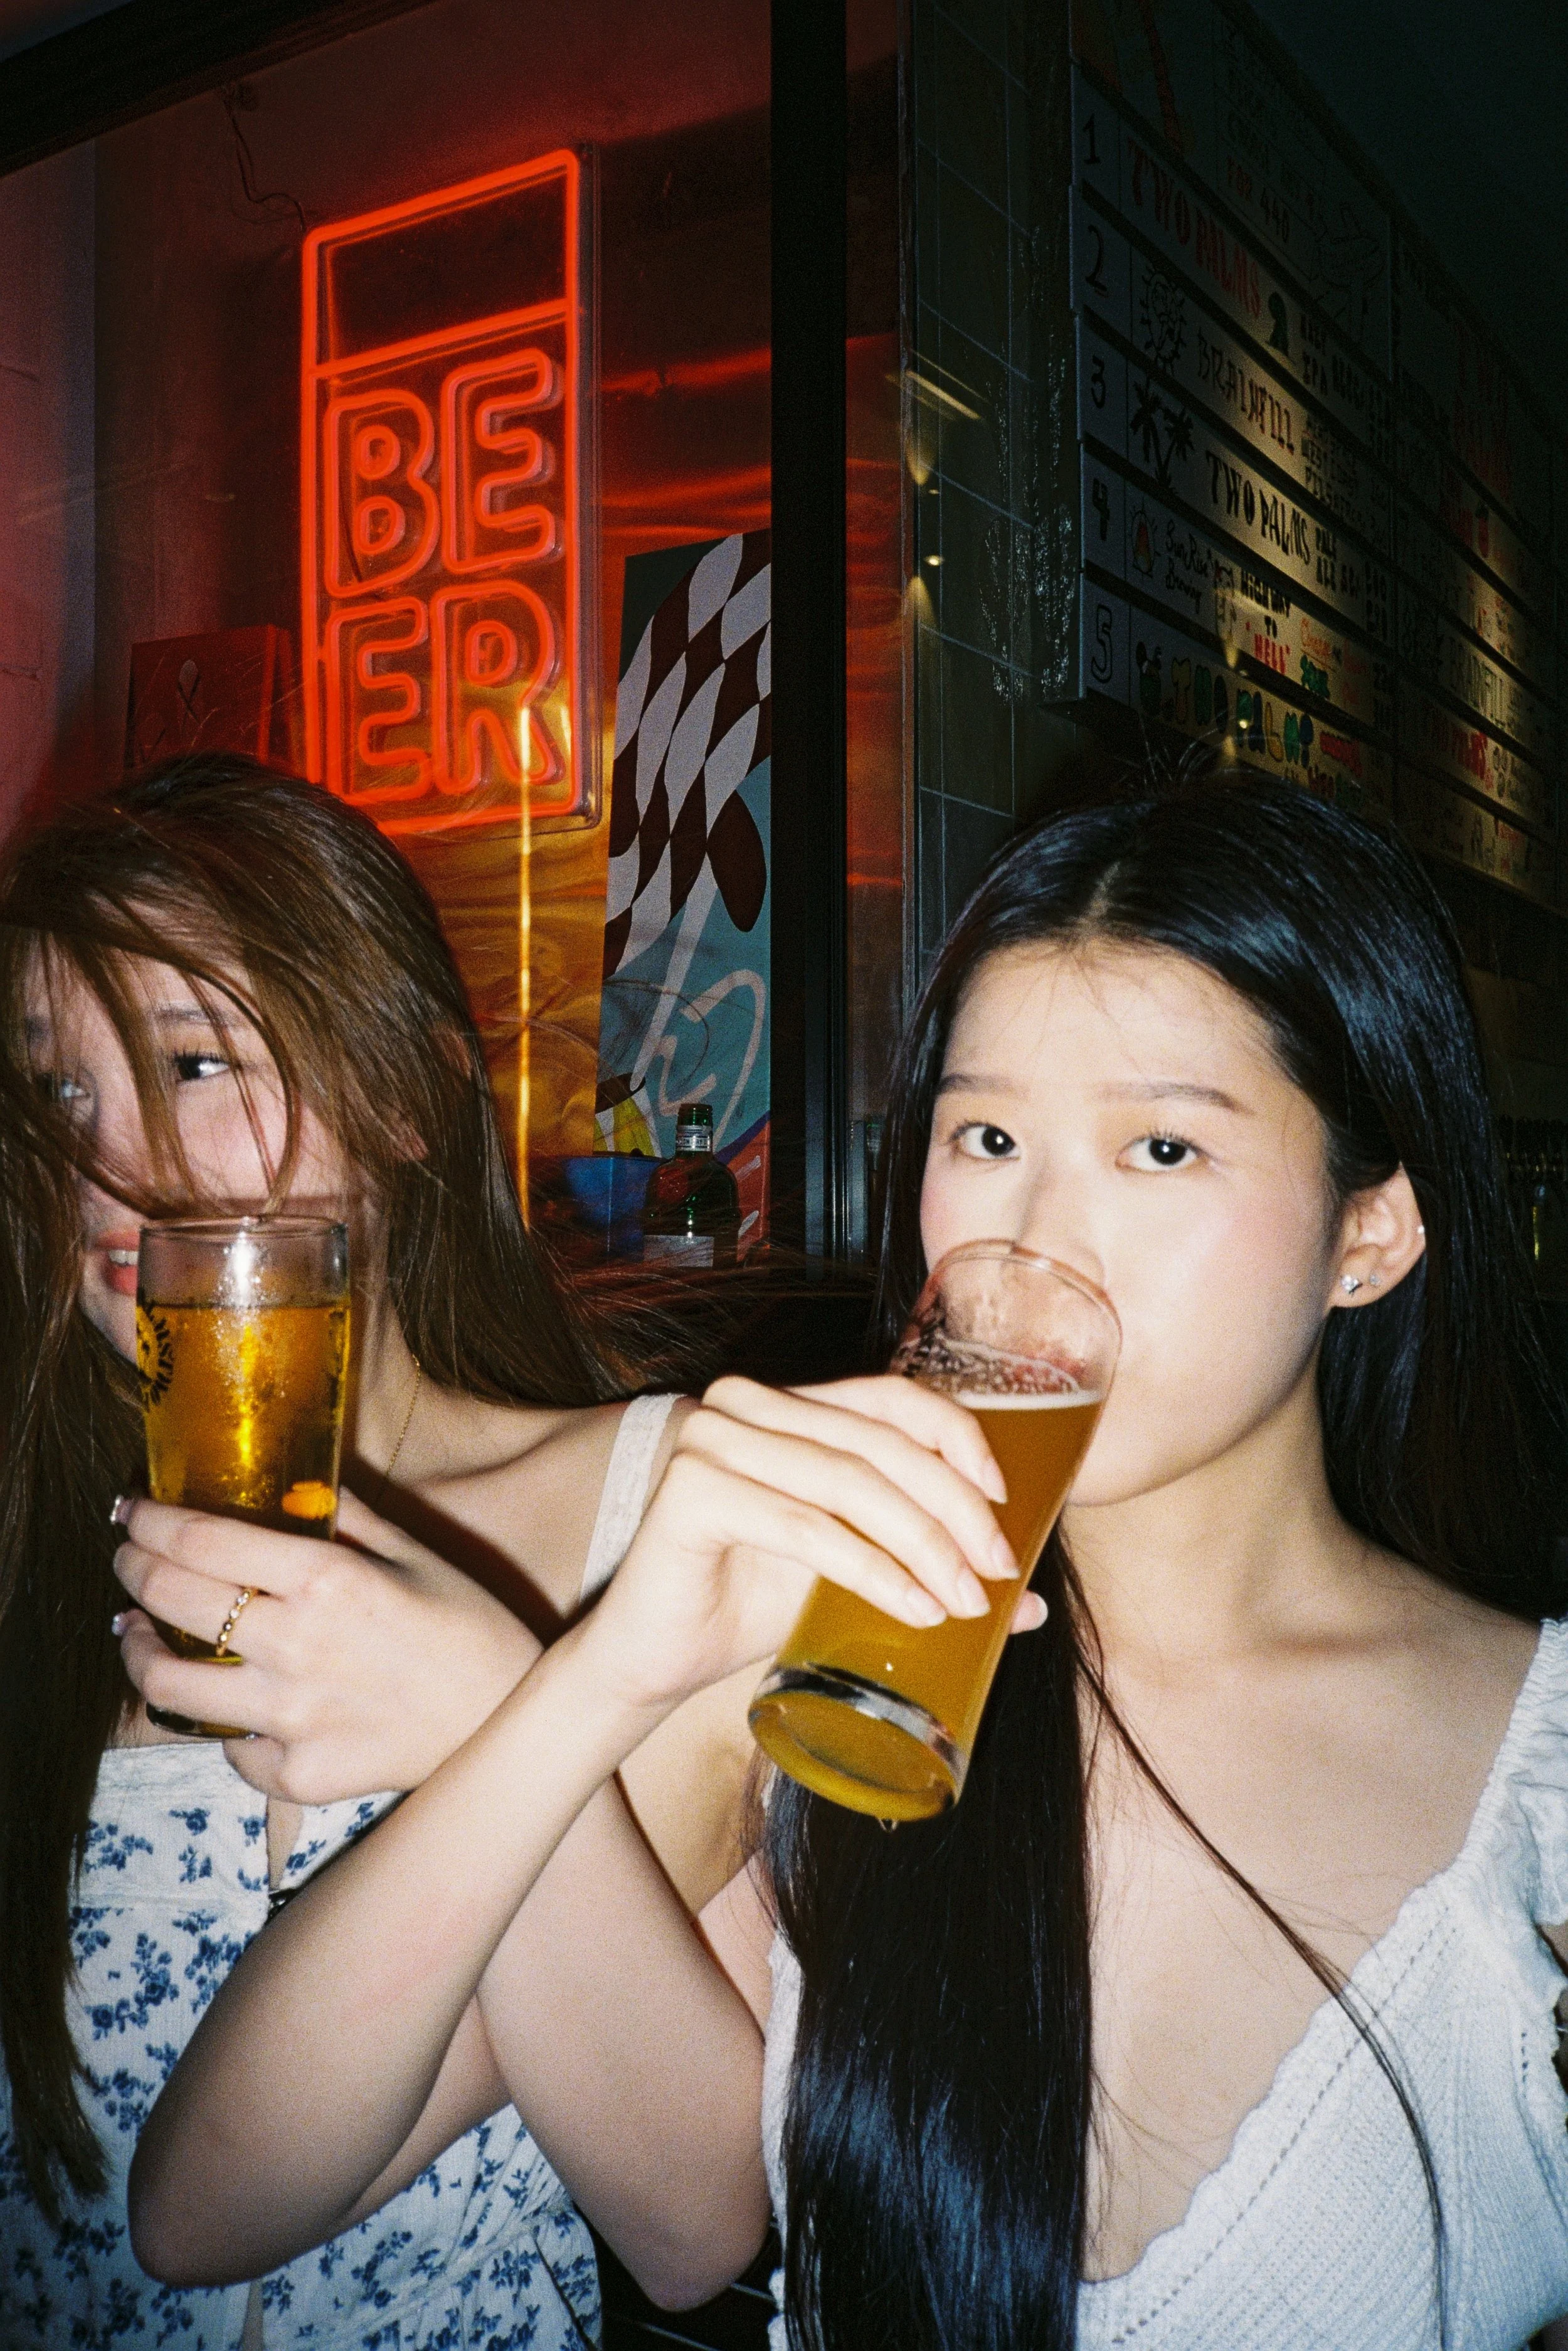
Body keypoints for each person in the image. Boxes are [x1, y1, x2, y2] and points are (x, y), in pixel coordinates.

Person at [127, 775, 1568, 2350]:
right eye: (987, 1132)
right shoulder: (828, 1651)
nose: (1032, 1237)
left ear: (1367, 1233)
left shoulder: (1534, 1761)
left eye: (1159, 1147)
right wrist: (559, 1685)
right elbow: (213, 2204)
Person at [0, 753, 789, 2349]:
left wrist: (493, 1698)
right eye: (57, 1087)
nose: (109, 1158)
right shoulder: (33, 1530)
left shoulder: (657, 1521)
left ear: (411, 1095)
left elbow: (693, 2217)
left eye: (196, 1057)